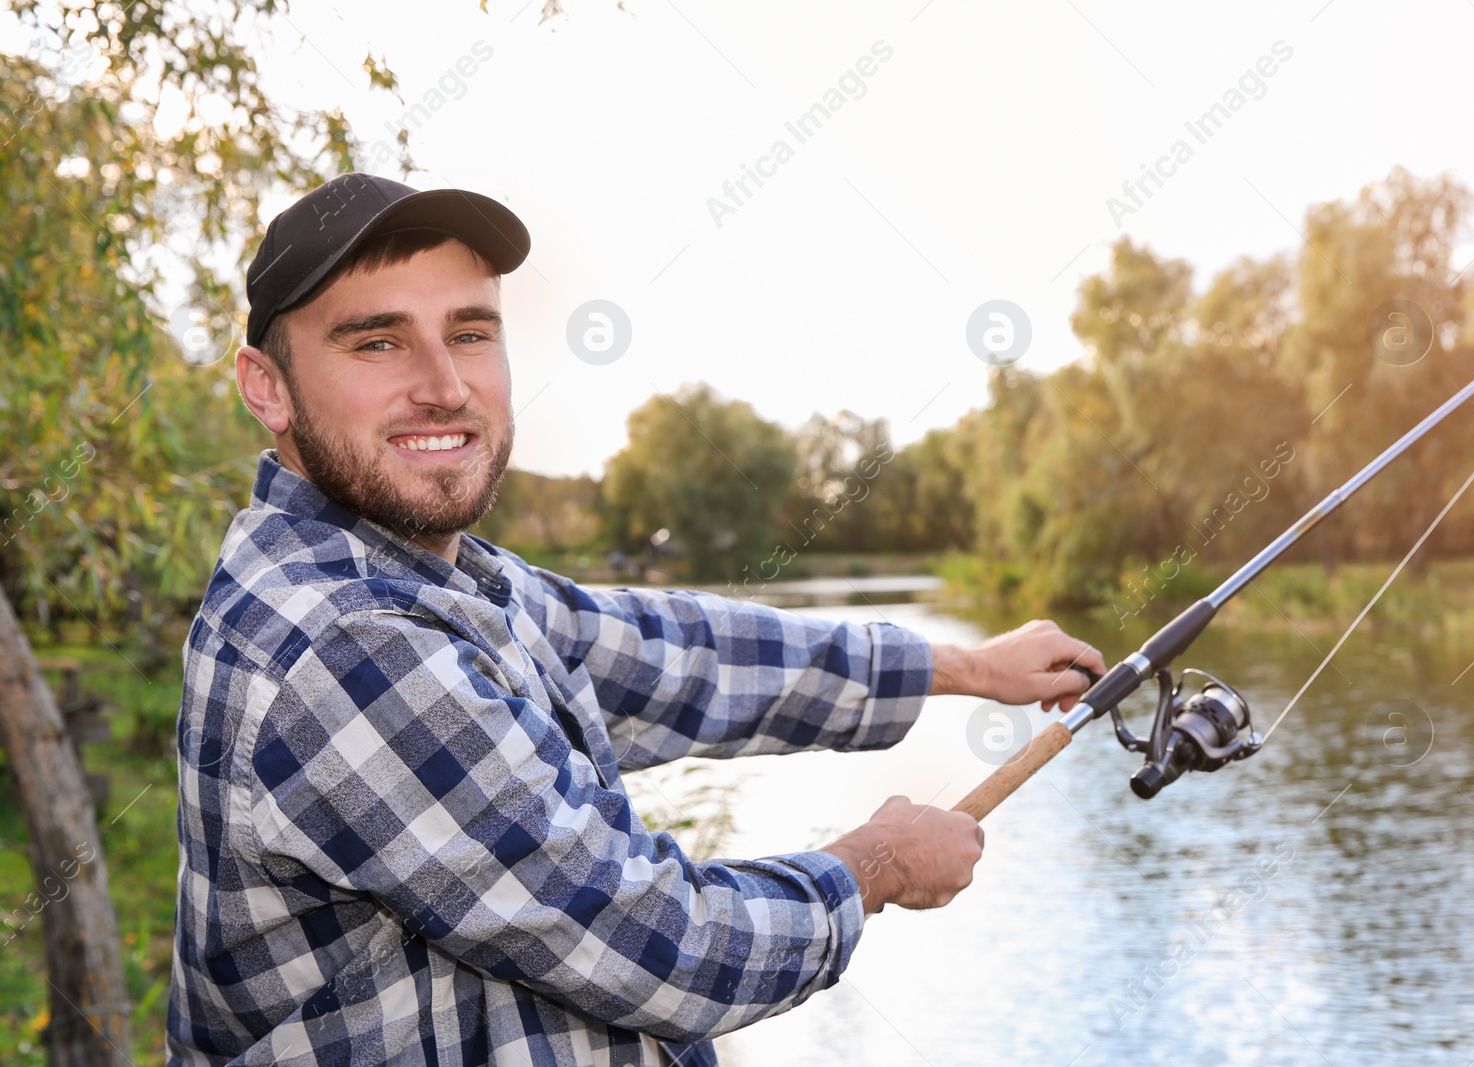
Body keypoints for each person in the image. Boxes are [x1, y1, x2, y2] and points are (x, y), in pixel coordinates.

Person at [167, 173, 1105, 1066]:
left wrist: (965, 668)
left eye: (471, 331)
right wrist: (878, 864)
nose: (445, 385)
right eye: (377, 341)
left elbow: (675, 657)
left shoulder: (418, 576)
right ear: (267, 386)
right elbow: (657, 945)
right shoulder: (349, 643)